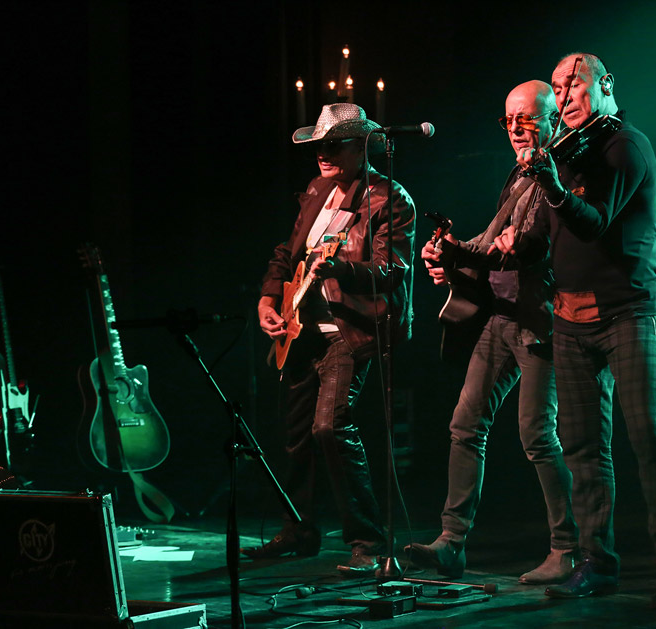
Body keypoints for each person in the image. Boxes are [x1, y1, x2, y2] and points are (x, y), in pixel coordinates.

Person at [503, 53, 656, 608]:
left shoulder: (623, 147)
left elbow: (593, 222)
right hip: (570, 318)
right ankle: (597, 564)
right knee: (585, 447)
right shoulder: (567, 154)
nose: (563, 96)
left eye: (574, 83)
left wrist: (553, 182)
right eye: (557, 87)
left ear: (604, 85)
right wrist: (471, 255)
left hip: (629, 312)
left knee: (648, 439)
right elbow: (538, 240)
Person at [405, 80, 578, 585]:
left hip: (539, 323)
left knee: (538, 437)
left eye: (527, 118)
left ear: (553, 118)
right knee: (465, 425)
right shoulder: (519, 175)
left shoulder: (558, 174)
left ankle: (567, 548)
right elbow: (492, 237)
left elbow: (525, 247)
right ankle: (451, 543)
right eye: (509, 121)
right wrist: (451, 253)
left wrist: (461, 254)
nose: (516, 130)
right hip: (501, 318)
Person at [247, 103, 416, 575]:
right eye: (318, 145)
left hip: (351, 330)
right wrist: (267, 300)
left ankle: (367, 541)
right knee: (298, 436)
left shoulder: (389, 198)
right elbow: (287, 253)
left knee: (330, 427)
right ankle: (299, 529)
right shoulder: (318, 190)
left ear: (362, 145)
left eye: (333, 144)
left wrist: (339, 268)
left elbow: (393, 271)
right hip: (301, 330)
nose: (322, 153)